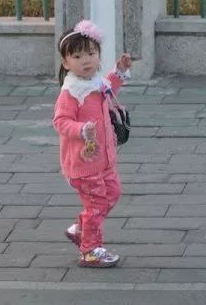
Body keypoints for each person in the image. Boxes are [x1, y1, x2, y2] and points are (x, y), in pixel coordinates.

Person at [53, 20, 133, 268]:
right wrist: (80, 129)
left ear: (99, 56)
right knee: (97, 203)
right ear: (66, 63)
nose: (85, 60)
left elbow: (110, 88)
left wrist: (119, 71)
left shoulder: (96, 82)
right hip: (83, 163)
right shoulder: (71, 92)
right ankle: (90, 250)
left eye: (90, 53)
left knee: (113, 193)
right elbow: (60, 121)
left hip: (104, 159)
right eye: (77, 56)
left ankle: (81, 228)